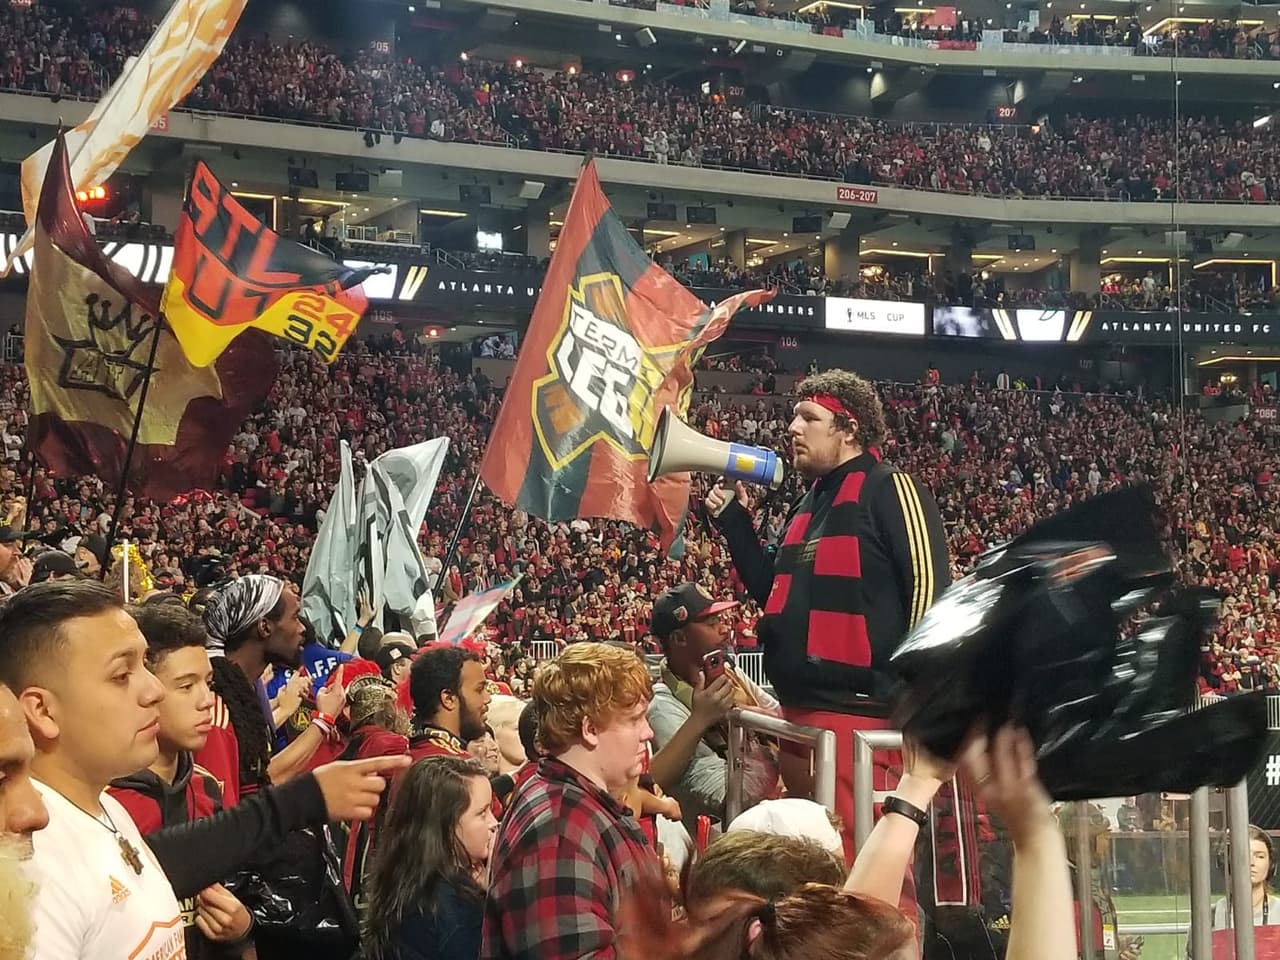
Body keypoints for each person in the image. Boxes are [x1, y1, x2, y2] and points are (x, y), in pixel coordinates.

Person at [0, 579, 410, 960]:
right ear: (42, 709)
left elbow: (160, 860)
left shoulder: (105, 809)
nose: (153, 690)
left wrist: (303, 800)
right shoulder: (30, 868)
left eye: (146, 665)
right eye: (123, 674)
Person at [706, 368, 951, 863]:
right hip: (804, 722)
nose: (792, 427)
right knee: (817, 873)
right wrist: (735, 522)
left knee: (864, 870)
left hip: (859, 725)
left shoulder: (890, 487)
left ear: (849, 427)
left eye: (808, 417)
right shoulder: (811, 501)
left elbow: (930, 590)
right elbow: (771, 590)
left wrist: (919, 699)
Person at [480, 642, 657, 959]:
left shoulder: (572, 802)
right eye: (634, 719)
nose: (648, 733)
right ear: (590, 729)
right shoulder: (558, 832)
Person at [646, 582, 779, 831]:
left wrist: (757, 717)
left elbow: (778, 713)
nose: (723, 628)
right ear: (680, 638)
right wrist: (705, 718)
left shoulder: (729, 672)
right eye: (710, 623)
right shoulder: (663, 707)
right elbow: (725, 794)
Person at [200, 574, 344, 802]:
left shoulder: (246, 689)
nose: (302, 629)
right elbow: (229, 818)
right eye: (295, 617)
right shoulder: (214, 710)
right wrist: (323, 720)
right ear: (264, 627)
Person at [363, 756, 500, 960]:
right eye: (482, 813)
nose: (494, 823)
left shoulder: (404, 880)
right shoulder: (456, 911)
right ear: (444, 826)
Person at [408, 646, 492, 761]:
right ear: (448, 699)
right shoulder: (457, 769)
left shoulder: (413, 755)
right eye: (479, 689)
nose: (487, 699)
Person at [1211, 825, 1280, 929]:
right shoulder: (1210, 917)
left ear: (1271, 865)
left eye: (1260, 856)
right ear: (1226, 863)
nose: (1251, 862)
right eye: (1243, 856)